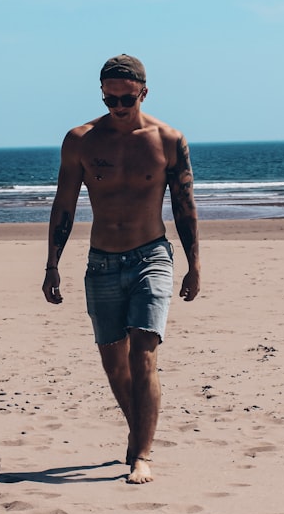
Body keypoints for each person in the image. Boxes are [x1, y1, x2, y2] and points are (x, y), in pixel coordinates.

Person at [42, 54, 200, 484]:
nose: (118, 107)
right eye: (110, 99)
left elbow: (185, 205)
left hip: (152, 256)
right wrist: (52, 265)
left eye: (126, 99)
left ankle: (141, 456)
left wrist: (194, 264)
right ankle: (138, 434)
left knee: (144, 352)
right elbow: (64, 204)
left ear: (144, 93)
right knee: (115, 364)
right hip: (102, 262)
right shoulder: (81, 140)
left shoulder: (168, 140)